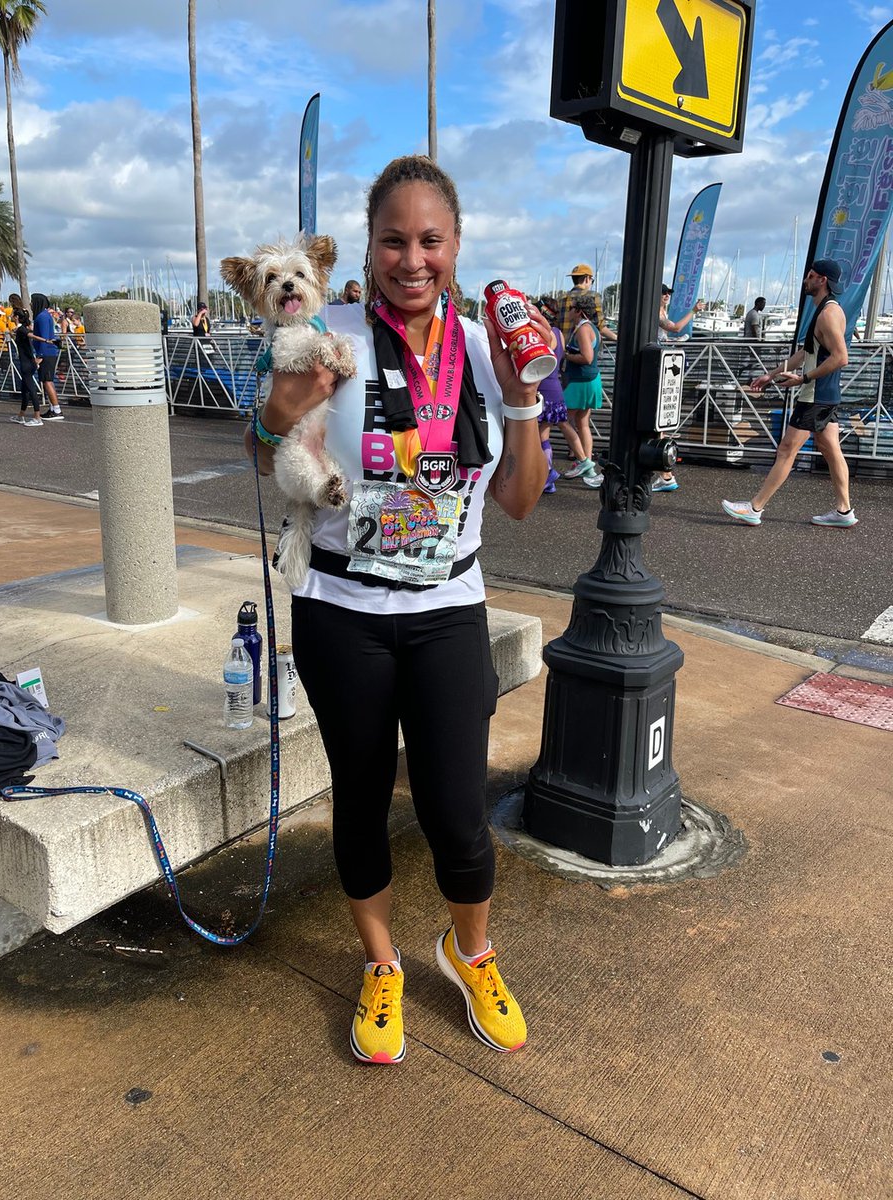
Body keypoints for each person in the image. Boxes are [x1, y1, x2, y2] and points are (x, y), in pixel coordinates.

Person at [245, 154, 545, 1065]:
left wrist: (526, 395)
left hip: (450, 605)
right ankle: (383, 967)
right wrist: (274, 416)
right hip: (341, 609)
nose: (412, 260)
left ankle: (470, 951)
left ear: (454, 246)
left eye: (431, 241)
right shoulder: (326, 330)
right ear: (368, 247)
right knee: (363, 800)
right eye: (393, 241)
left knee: (458, 807)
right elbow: (267, 448)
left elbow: (524, 502)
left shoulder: (489, 351)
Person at [722, 258, 856, 528]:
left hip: (816, 395)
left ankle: (755, 507)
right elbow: (806, 353)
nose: (805, 279)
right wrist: (771, 374)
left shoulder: (829, 313)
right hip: (825, 395)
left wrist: (803, 378)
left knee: (786, 448)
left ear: (822, 280)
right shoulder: (827, 310)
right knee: (831, 449)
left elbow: (841, 358)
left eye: (810, 275)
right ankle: (844, 512)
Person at [653, 285, 704, 492]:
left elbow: (670, 331)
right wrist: (693, 311)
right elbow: (673, 327)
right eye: (663, 292)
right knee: (658, 422)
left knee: (658, 423)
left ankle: (665, 474)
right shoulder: (656, 312)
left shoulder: (661, 311)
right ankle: (665, 474)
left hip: (661, 365)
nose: (666, 296)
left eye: (669, 293)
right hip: (659, 365)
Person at [560, 292, 605, 489]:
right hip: (591, 379)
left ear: (578, 311)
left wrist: (566, 356)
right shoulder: (591, 327)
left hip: (581, 380)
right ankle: (587, 466)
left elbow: (586, 357)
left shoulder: (582, 329)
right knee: (582, 422)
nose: (568, 311)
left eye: (571, 308)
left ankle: (583, 461)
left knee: (560, 419)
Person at [533, 296, 569, 493]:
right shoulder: (559, 333)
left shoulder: (543, 334)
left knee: (536, 437)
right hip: (555, 388)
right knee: (543, 435)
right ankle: (548, 479)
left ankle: (547, 473)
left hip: (542, 389)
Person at [556, 264, 617, 355]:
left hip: (565, 350)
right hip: (585, 350)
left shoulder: (561, 298)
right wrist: (617, 338)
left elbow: (557, 326)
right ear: (587, 278)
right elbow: (600, 327)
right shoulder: (593, 296)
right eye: (592, 280)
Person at [29, 293, 64, 420]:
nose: (31, 304)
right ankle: (52, 408)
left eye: (32, 302)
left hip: (46, 353)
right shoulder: (44, 316)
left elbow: (45, 338)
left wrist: (40, 355)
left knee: (47, 381)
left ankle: (57, 410)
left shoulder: (42, 317)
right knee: (46, 381)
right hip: (48, 352)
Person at [10, 310, 43, 426]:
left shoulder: (22, 329)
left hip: (27, 364)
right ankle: (21, 415)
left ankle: (37, 417)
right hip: (28, 363)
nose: (11, 316)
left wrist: (46, 340)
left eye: (13, 315)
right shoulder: (21, 329)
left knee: (31, 390)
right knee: (25, 390)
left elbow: (30, 335)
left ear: (17, 317)